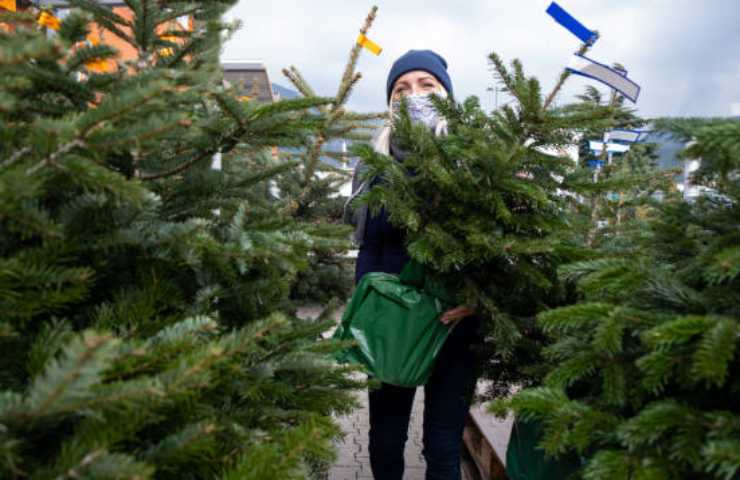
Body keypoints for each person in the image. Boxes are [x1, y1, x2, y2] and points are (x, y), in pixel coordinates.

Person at [343, 49, 483, 480]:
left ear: (446, 93)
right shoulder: (374, 165)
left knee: (442, 444)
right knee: (385, 437)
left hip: (454, 322)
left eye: (426, 85)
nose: (413, 95)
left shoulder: (470, 157)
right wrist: (369, 308)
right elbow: (367, 245)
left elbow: (492, 243)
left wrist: (476, 296)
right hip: (394, 323)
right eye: (401, 88)